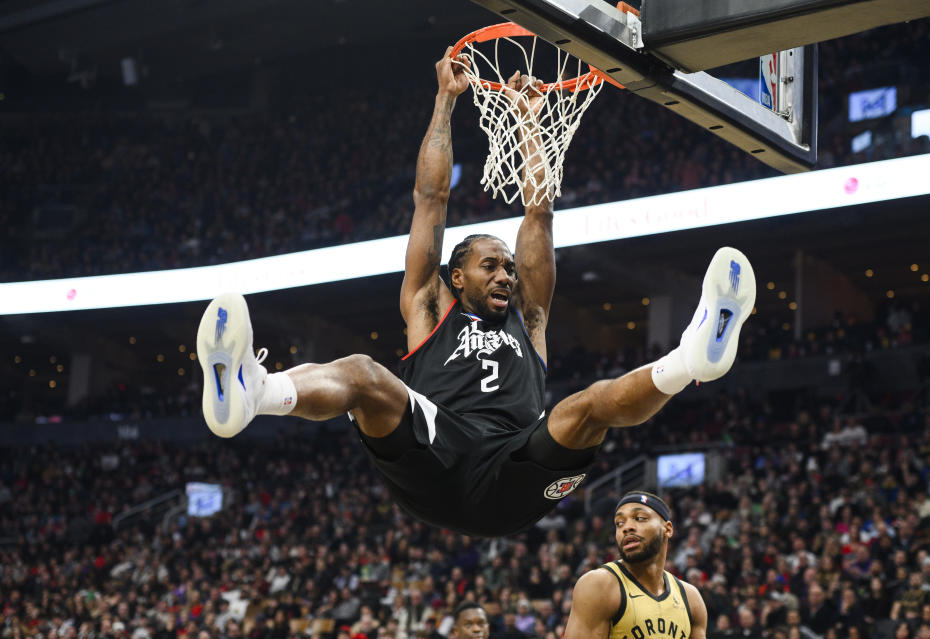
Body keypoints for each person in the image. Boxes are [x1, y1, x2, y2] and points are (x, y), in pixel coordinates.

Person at [196, 49, 756, 537]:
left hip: (514, 466)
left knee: (588, 405)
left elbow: (539, 210)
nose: (507, 276)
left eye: (510, 267)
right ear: (455, 278)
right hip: (436, 454)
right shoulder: (428, 306)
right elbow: (429, 199)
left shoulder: (528, 319)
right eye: (491, 266)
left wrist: (530, 123)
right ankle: (254, 394)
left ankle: (693, 357)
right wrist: (445, 101)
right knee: (365, 373)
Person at [566, 492, 708, 639]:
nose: (626, 528)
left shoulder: (691, 599)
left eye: (640, 518)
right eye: (619, 523)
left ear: (668, 529)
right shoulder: (599, 585)